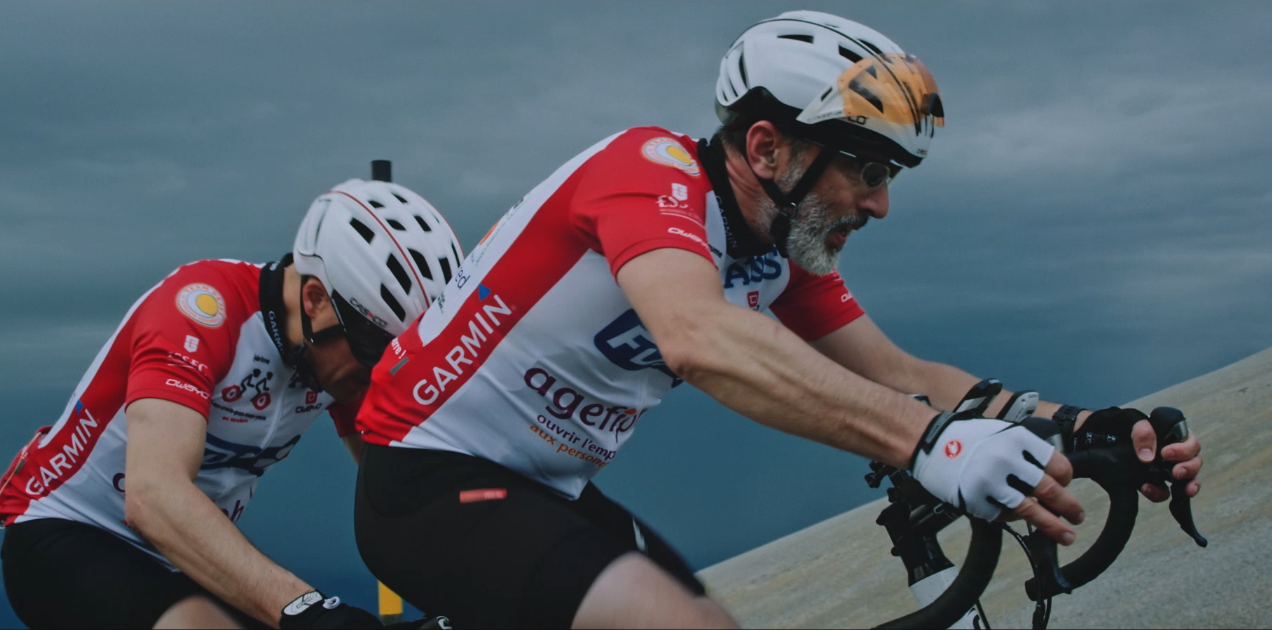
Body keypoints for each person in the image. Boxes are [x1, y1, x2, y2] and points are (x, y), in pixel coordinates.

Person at [349, 10, 1205, 630]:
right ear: (766, 148)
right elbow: (700, 338)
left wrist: (1091, 424)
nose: (878, 206)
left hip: (550, 491)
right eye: (865, 170)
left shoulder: (775, 250)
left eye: (891, 178)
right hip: (423, 474)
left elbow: (904, 376)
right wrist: (929, 443)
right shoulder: (646, 170)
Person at [0, 170, 463, 629]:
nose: (381, 371)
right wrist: (312, 612)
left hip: (175, 560)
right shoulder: (201, 310)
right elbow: (154, 495)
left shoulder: (335, 358)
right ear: (316, 299)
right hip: (66, 531)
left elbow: (405, 492)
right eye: (373, 349)